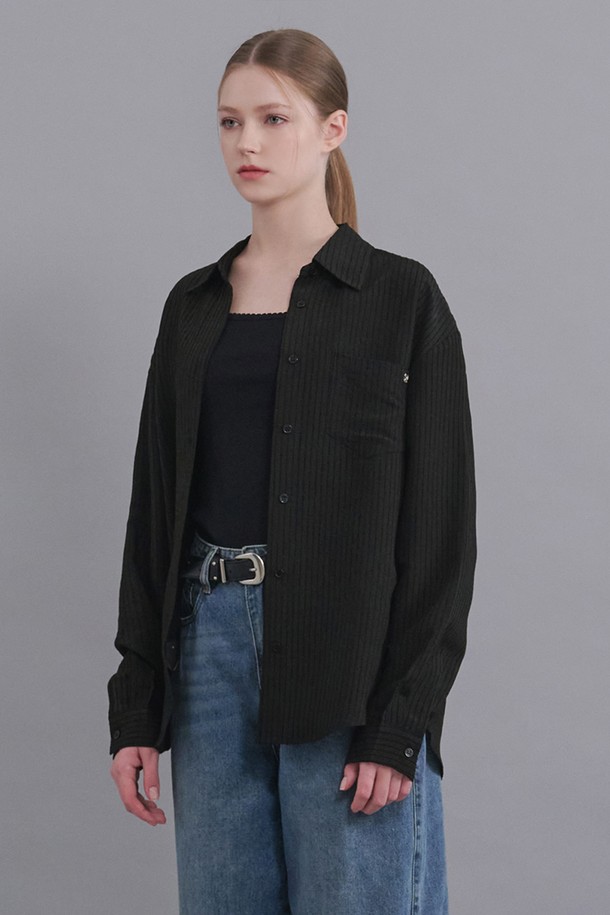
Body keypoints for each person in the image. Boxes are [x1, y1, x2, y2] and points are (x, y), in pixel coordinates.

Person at [108, 27, 476, 915]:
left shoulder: (400, 299)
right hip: (208, 655)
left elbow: (441, 534)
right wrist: (136, 704)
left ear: (332, 128)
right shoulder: (193, 305)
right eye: (230, 121)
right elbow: (155, 512)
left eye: (274, 118)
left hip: (346, 660)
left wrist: (401, 721)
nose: (248, 142)